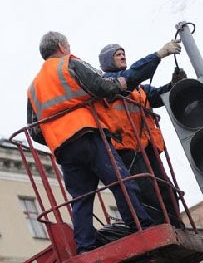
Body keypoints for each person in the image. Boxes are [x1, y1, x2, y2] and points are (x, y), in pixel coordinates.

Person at [27, 31, 155, 255]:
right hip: (87, 134)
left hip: (64, 148)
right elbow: (102, 87)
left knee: (81, 198)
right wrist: (122, 83)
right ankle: (141, 226)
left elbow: (35, 130)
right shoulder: (69, 64)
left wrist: (58, 134)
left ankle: (85, 248)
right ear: (60, 46)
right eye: (67, 43)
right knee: (122, 182)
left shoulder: (33, 88)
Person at [97, 41, 186, 227]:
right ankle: (160, 228)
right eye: (117, 55)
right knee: (146, 190)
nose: (123, 56)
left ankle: (176, 225)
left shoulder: (139, 89)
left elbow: (158, 95)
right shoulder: (107, 85)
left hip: (147, 147)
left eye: (123, 53)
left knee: (165, 188)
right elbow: (131, 77)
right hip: (127, 150)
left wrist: (173, 85)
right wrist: (158, 55)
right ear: (108, 61)